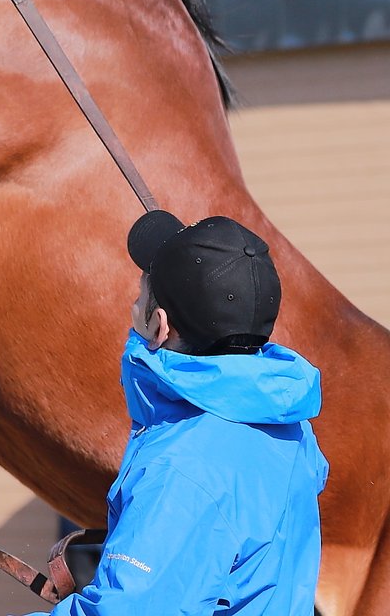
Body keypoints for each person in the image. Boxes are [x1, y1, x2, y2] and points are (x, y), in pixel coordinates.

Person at [41, 210, 329, 614]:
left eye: (140, 296)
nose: (134, 303)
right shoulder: (286, 425)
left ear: (159, 326)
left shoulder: (183, 470)